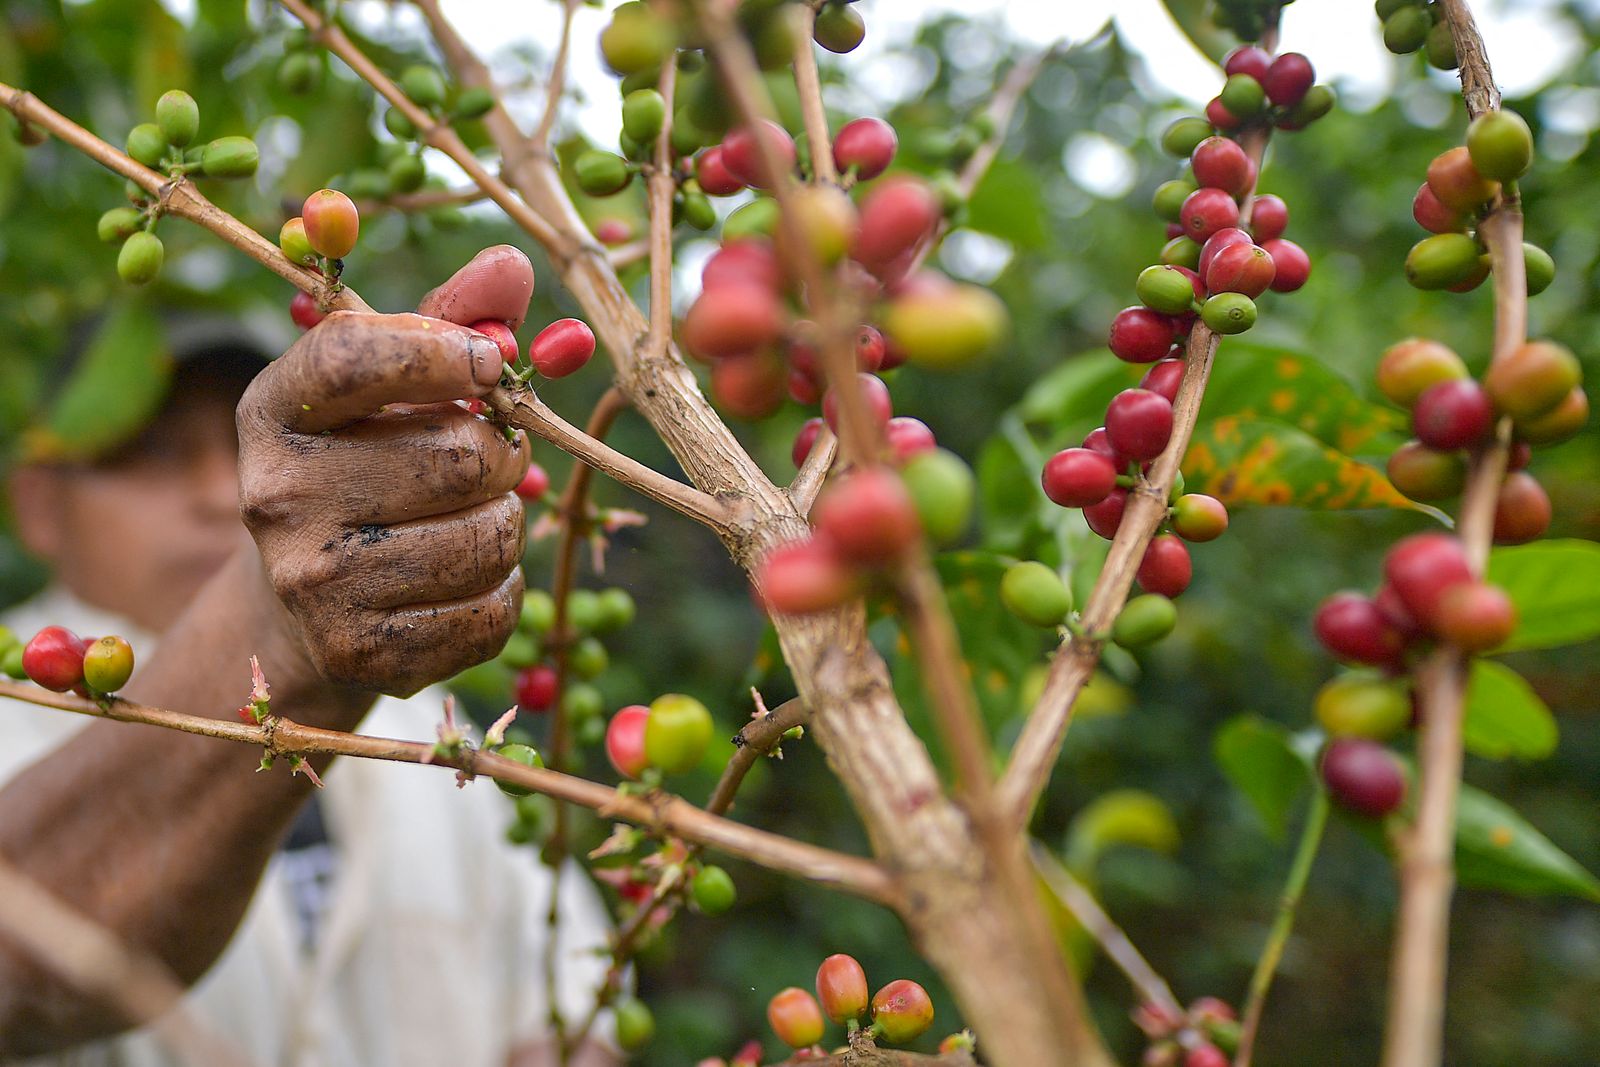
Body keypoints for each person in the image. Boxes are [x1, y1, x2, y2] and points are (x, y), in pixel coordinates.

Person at [0, 247, 620, 1066]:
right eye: (153, 452)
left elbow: (569, 1002)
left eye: (237, 445)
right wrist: (278, 634)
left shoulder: (429, 728)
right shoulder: (20, 697)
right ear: (39, 505)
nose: (220, 493)